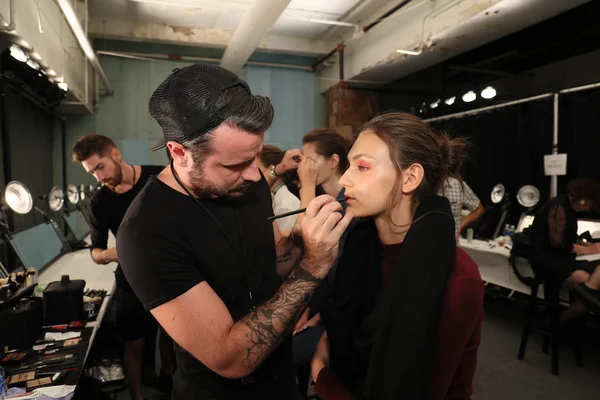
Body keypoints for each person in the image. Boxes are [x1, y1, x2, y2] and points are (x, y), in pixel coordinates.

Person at [116, 63, 352, 400]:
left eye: (255, 156)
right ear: (180, 153)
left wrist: (305, 239)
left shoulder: (247, 182)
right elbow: (230, 358)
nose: (255, 175)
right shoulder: (146, 233)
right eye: (235, 164)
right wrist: (313, 266)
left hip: (281, 382)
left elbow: (274, 261)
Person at [311, 112, 485, 400]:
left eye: (363, 167)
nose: (344, 179)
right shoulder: (360, 246)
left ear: (410, 178)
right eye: (348, 166)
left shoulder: (457, 281)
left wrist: (322, 378)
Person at [72, 134, 171, 400]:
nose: (98, 178)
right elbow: (95, 252)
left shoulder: (159, 178)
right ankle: (137, 396)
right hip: (131, 279)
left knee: (175, 336)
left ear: (115, 154)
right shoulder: (99, 203)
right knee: (134, 343)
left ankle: (171, 384)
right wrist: (115, 254)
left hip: (171, 274)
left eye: (100, 167)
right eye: (91, 172)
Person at [528, 178, 600, 322]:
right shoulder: (559, 207)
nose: (589, 209)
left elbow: (566, 239)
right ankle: (558, 323)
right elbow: (559, 244)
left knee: (593, 283)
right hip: (547, 260)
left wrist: (585, 246)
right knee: (590, 289)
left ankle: (561, 321)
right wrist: (591, 249)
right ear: (582, 200)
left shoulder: (568, 207)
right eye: (589, 204)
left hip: (558, 257)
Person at [258, 145, 301, 232]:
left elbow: (280, 244)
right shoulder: (270, 197)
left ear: (271, 169)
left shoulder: (286, 205)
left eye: (257, 169)